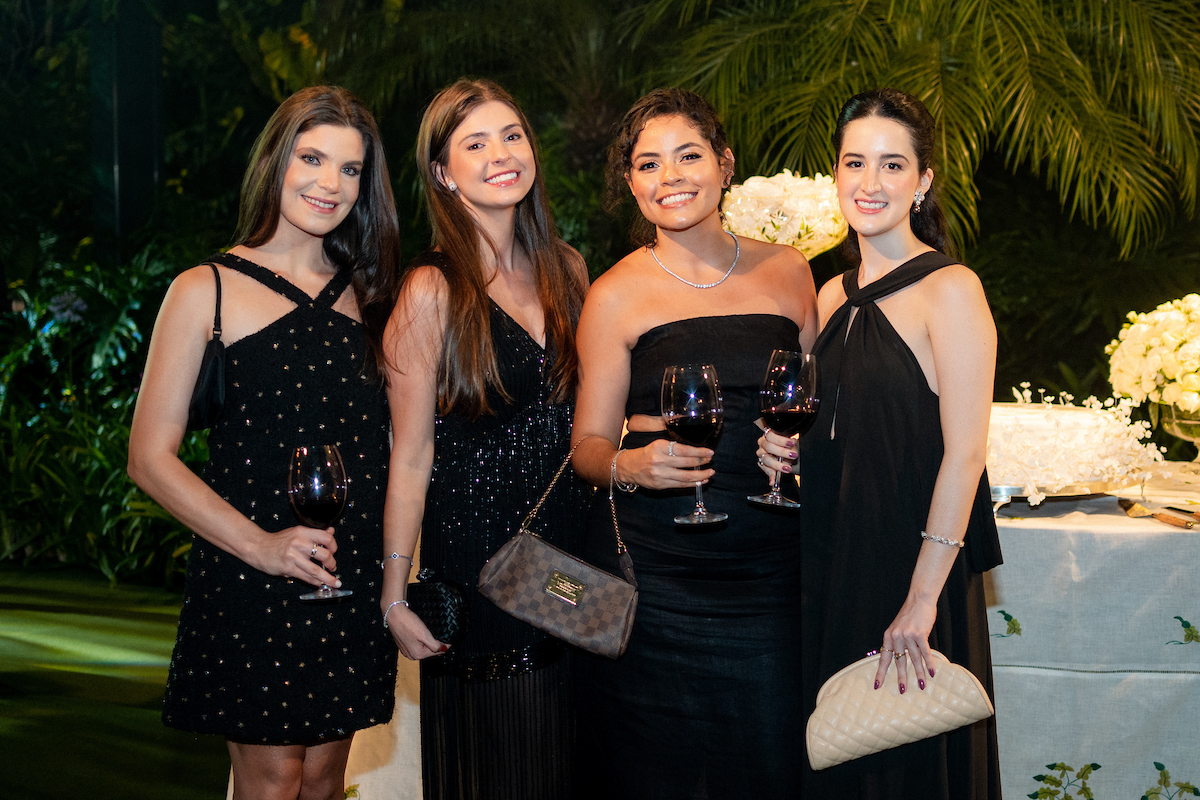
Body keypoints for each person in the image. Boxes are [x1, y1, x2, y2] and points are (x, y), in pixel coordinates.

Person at [127, 86, 400, 800]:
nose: (329, 183)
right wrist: (261, 546)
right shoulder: (203, 288)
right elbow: (149, 457)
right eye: (312, 158)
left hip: (347, 573)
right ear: (276, 162)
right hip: (248, 572)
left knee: (322, 779)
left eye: (350, 170)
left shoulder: (373, 296)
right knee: (274, 780)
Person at [568, 87, 819, 798]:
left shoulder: (790, 270)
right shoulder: (614, 294)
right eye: (648, 164)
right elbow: (587, 444)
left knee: (772, 769)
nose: (669, 176)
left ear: (725, 164)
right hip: (657, 587)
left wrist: (805, 451)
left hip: (770, 575)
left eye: (687, 156)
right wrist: (632, 465)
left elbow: (821, 404)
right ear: (629, 183)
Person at [761, 87, 1003, 797]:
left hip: (910, 569)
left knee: (907, 770)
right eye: (854, 163)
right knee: (841, 758)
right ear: (834, 174)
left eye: (892, 165)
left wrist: (922, 599)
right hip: (832, 562)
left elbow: (965, 454)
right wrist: (787, 453)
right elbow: (848, 430)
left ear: (923, 180)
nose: (870, 184)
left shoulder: (951, 290)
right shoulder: (830, 293)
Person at [379, 78, 592, 800]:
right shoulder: (430, 290)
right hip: (481, 573)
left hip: (569, 569)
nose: (501, 154)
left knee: (572, 761)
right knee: (504, 768)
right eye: (475, 144)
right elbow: (408, 458)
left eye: (512, 136)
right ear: (443, 173)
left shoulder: (569, 270)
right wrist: (393, 595)